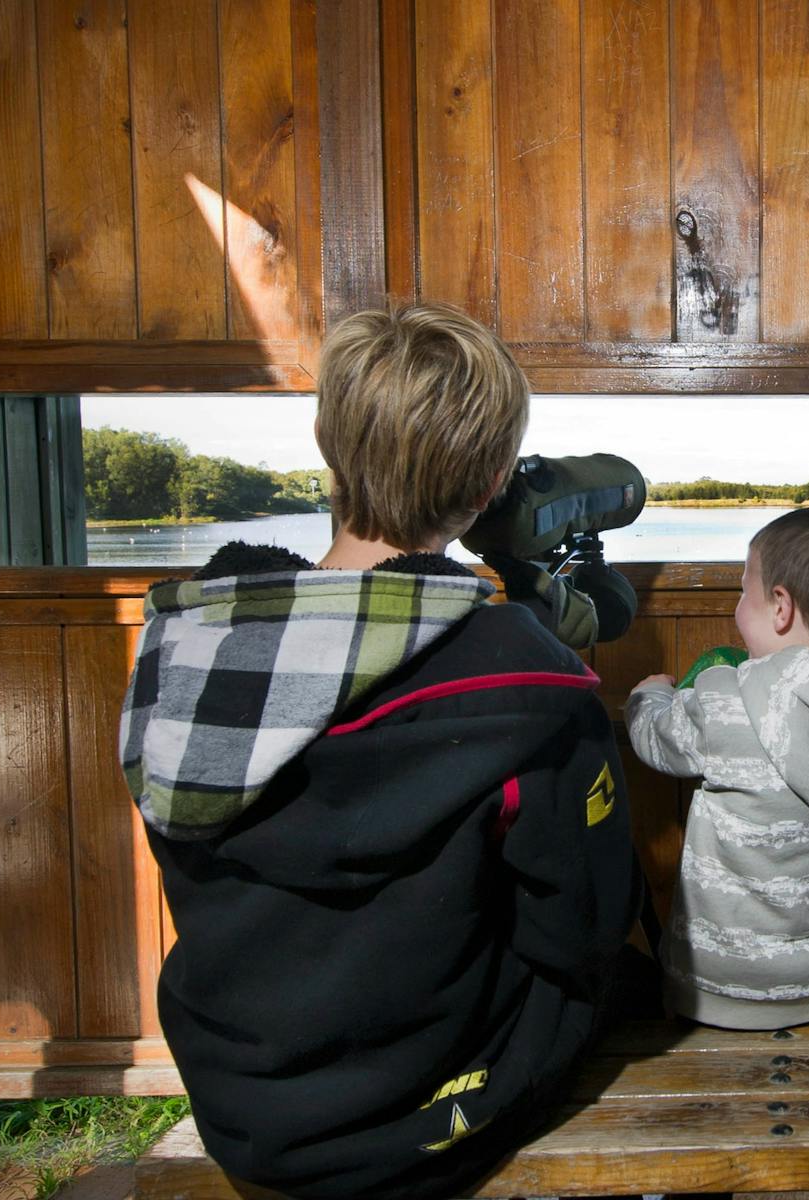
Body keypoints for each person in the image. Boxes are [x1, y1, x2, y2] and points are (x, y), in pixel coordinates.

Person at [120, 303, 638, 1200]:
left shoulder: (193, 648)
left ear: (331, 451)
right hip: (421, 1122)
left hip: (244, 1106)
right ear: (488, 489)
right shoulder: (523, 686)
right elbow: (584, 925)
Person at [627, 505, 809, 1029]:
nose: (737, 605)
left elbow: (655, 741)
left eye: (742, 591)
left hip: (714, 989)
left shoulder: (725, 701)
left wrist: (650, 695)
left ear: (781, 607)